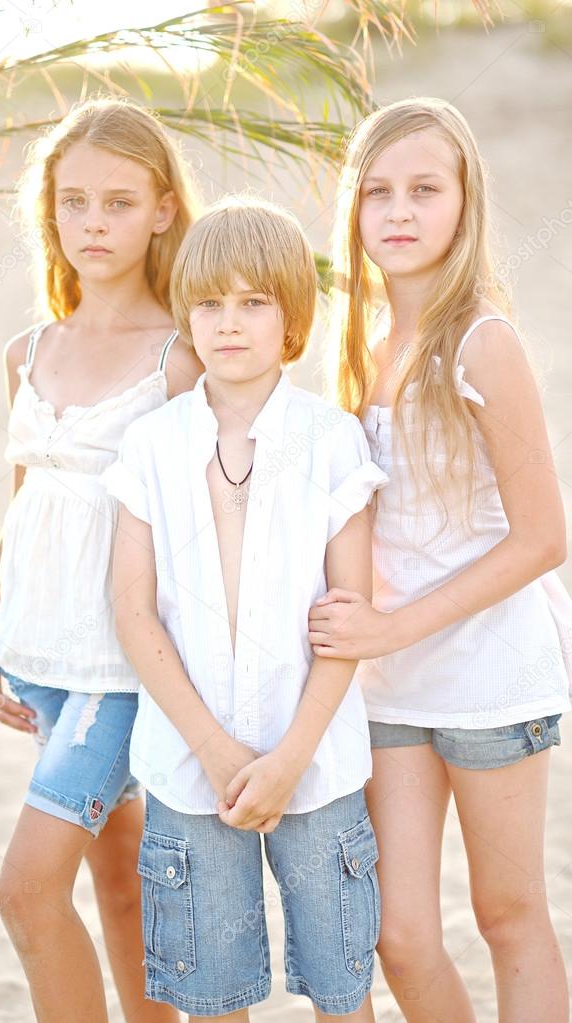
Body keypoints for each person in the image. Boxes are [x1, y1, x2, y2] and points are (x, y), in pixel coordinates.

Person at [310, 97, 572, 1022]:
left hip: (491, 674)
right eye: (376, 192)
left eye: (424, 189)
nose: (399, 211)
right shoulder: (360, 350)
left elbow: (544, 535)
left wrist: (389, 626)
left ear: (464, 202)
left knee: (507, 915)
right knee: (400, 933)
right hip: (388, 683)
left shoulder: (481, 342)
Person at [101, 196, 389, 1021]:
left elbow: (348, 617)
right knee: (212, 994)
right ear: (187, 315)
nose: (229, 322)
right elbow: (132, 612)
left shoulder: (331, 440)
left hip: (318, 762)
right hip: (192, 769)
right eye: (209, 302)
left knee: (341, 990)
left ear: (291, 318)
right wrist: (219, 753)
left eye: (254, 301)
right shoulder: (150, 444)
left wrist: (289, 757)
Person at [0, 97, 202, 1023]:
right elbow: (28, 500)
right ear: (48, 212)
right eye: (73, 203)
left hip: (121, 668)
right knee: (118, 880)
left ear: (162, 210)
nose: (93, 224)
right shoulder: (29, 350)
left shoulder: (179, 360)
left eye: (117, 202)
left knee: (25, 890)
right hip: (45, 654)